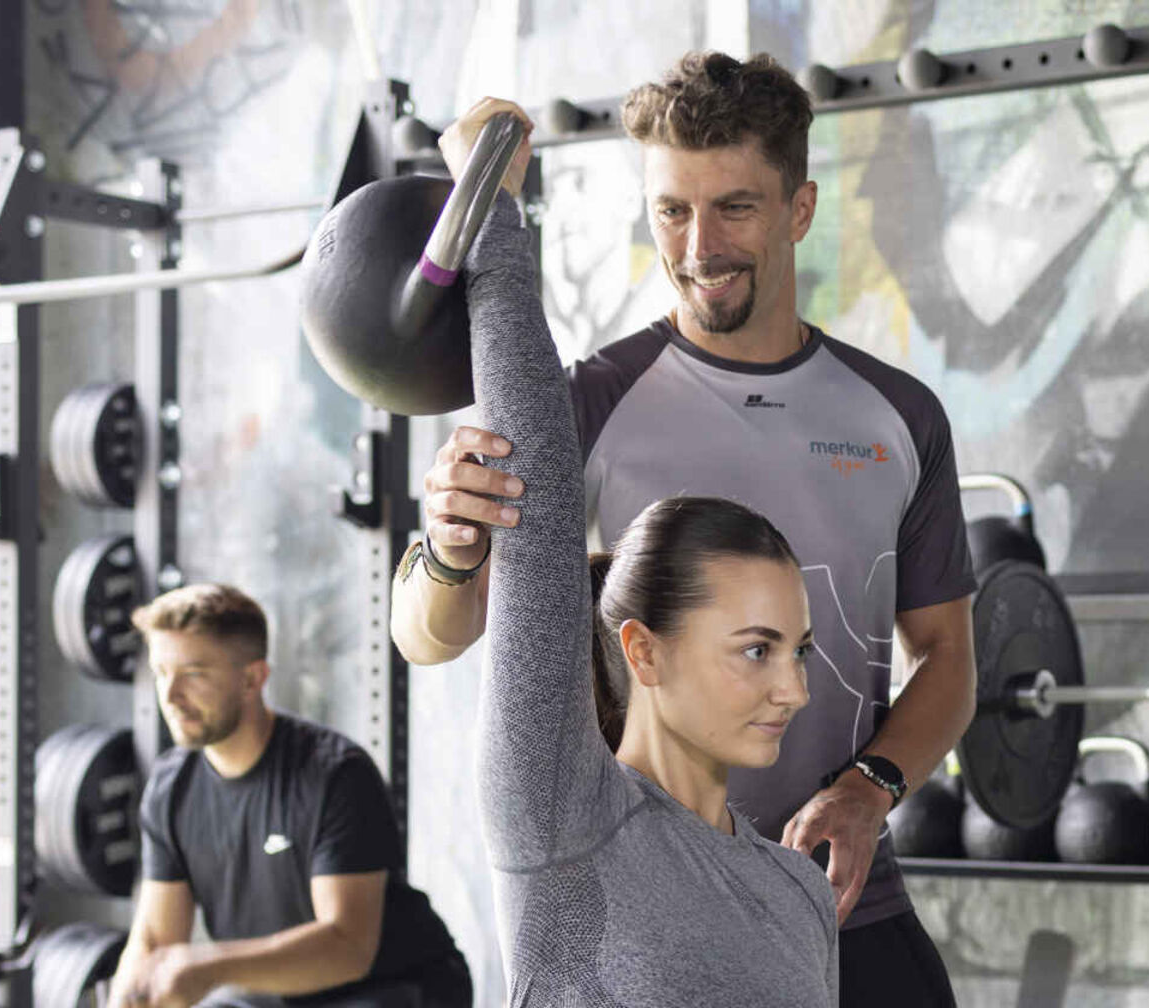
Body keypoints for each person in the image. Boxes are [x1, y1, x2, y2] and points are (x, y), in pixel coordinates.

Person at [394, 52, 976, 1007]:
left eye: (735, 208)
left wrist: (870, 787)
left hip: (838, 899)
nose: (699, 245)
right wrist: (450, 547)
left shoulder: (900, 417)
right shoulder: (590, 404)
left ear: (799, 210)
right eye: (672, 211)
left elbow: (948, 660)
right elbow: (428, 634)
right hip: (647, 916)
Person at [445, 101, 838, 1005]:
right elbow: (534, 486)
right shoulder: (564, 818)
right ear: (642, 650)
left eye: (797, 650)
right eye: (756, 650)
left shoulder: (802, 893)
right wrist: (494, 206)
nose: (795, 690)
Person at [111, 584, 470, 1008]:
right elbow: (154, 940)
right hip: (280, 997)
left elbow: (347, 947)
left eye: (193, 674)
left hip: (393, 989)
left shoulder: (335, 773)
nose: (169, 696)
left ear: (252, 678)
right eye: (161, 673)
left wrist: (208, 966)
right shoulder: (170, 788)